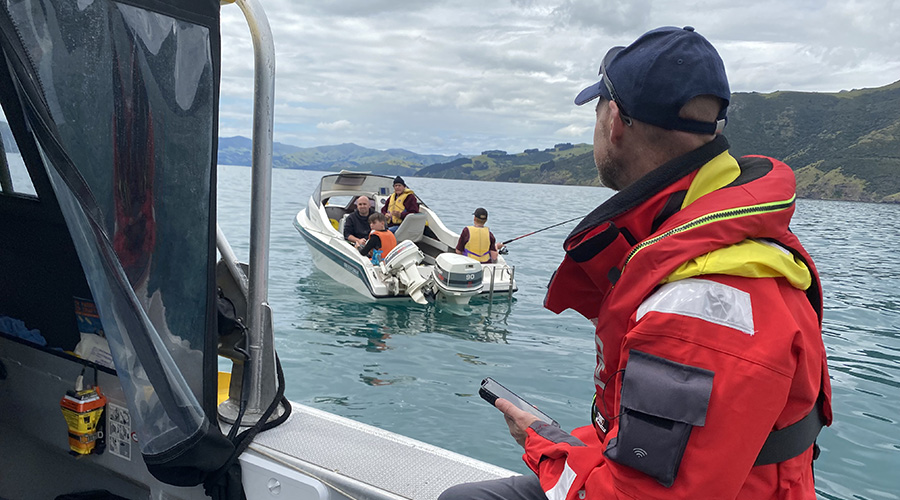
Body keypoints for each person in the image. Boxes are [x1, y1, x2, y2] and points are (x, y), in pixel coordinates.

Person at [440, 26, 831, 500]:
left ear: (615, 123)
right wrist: (560, 438)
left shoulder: (698, 305)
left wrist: (542, 445)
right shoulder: (736, 247)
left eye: (597, 109)